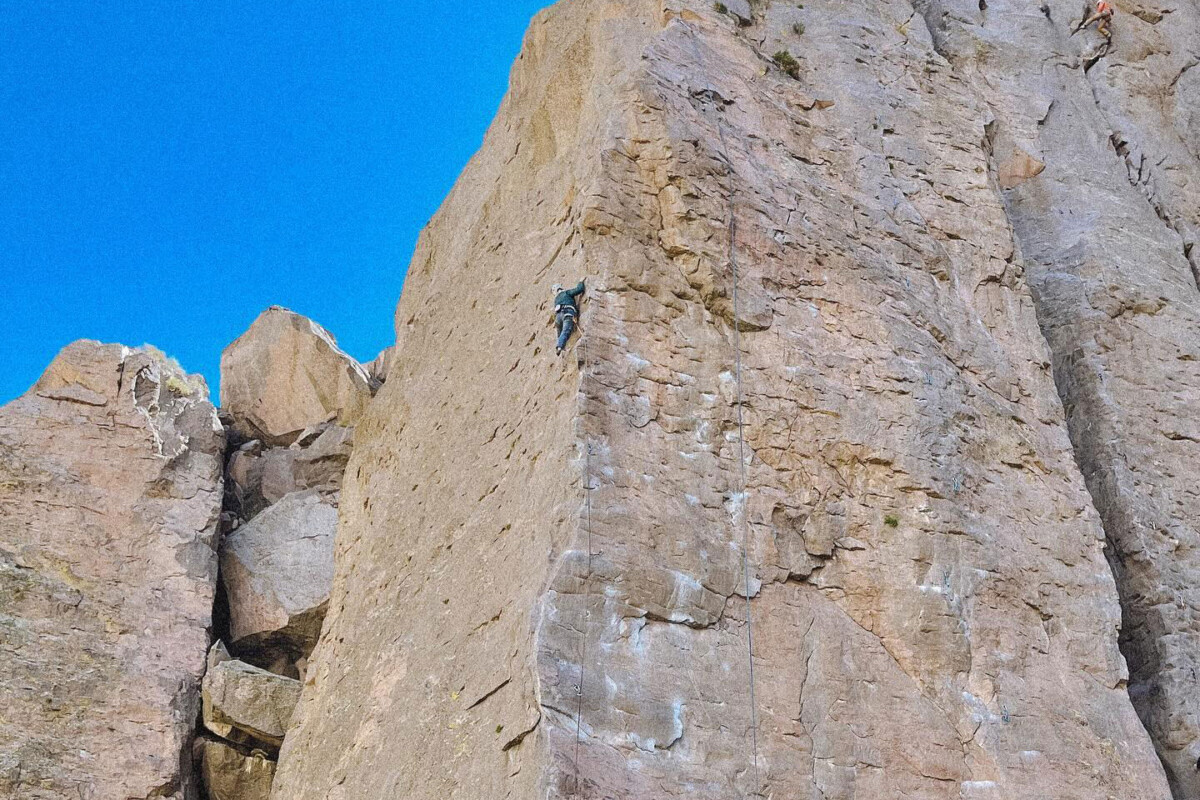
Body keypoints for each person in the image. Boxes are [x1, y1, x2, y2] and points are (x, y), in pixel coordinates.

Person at [552, 280, 586, 355]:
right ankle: (560, 346)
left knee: (560, 333)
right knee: (565, 331)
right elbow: (579, 290)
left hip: (558, 317)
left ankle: (561, 345)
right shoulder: (566, 293)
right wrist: (581, 282)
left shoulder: (556, 300)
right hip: (567, 313)